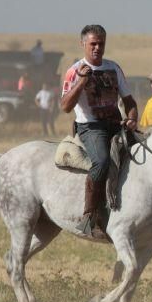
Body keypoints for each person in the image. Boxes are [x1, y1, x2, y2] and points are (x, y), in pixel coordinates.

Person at [60, 24, 138, 239]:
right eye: (93, 44)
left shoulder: (113, 68)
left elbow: (129, 100)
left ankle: (145, 215)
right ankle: (90, 216)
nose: (97, 48)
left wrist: (132, 118)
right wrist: (82, 81)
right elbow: (65, 106)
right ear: (83, 44)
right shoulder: (74, 70)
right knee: (102, 162)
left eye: (101, 44)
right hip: (90, 127)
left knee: (144, 155)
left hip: (116, 125)